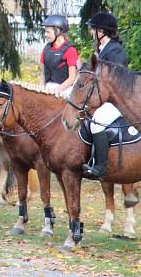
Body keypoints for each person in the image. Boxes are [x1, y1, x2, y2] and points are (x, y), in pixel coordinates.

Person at [82, 11, 127, 180]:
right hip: (102, 98)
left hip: (117, 101)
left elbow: (115, 82)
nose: (92, 33)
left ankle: (101, 167)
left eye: (93, 29)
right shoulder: (100, 50)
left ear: (101, 32)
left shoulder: (116, 51)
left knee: (97, 123)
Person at [39, 15, 78, 96]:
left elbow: (72, 78)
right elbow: (42, 74)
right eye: (45, 32)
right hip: (47, 90)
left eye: (48, 32)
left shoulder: (70, 50)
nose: (45, 35)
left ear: (57, 31)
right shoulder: (46, 49)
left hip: (64, 91)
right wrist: (40, 90)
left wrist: (57, 90)